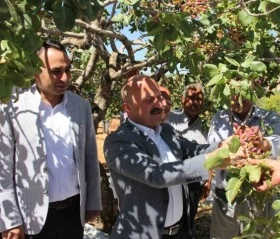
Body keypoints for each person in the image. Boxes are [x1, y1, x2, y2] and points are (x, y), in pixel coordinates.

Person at [103, 75, 243, 239]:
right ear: (128, 108)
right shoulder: (118, 141)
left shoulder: (166, 131)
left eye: (159, 97)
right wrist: (213, 160)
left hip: (180, 232)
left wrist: (224, 145)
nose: (159, 104)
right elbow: (156, 175)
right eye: (149, 100)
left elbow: (193, 150)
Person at [0, 40, 102, 239]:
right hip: (31, 216)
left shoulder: (80, 107)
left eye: (68, 70)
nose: (64, 78)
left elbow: (90, 156)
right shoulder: (13, 106)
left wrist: (92, 202)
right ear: (36, 71)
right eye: (56, 71)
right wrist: (9, 220)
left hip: (73, 214)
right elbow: (3, 168)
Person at [207, 94, 280, 239]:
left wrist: (264, 144)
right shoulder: (219, 119)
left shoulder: (269, 117)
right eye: (234, 96)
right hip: (227, 197)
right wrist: (233, 152)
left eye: (243, 96)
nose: (238, 100)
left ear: (252, 92)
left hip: (260, 195)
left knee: (258, 234)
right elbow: (212, 151)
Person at [167, 83, 210, 233]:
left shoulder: (205, 127)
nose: (194, 102)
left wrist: (208, 180)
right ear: (182, 99)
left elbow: (208, 156)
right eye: (191, 98)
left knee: (188, 221)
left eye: (199, 99)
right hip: (170, 179)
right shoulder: (170, 118)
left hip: (193, 182)